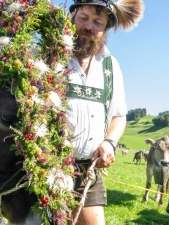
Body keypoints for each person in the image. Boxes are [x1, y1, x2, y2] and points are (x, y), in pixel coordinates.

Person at [66, 0, 144, 224]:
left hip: (86, 170)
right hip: (43, 166)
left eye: (97, 22)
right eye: (83, 18)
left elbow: (118, 115)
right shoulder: (48, 55)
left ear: (106, 28)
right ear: (72, 17)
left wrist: (110, 142)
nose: (89, 26)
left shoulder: (110, 66)